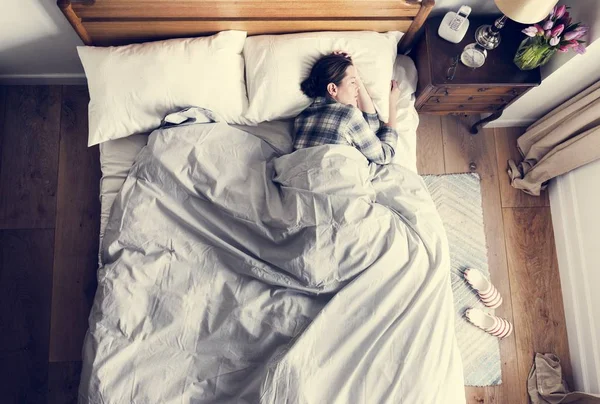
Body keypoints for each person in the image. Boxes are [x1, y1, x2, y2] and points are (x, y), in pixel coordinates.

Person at [294, 52, 400, 165]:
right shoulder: (348, 114)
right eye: (353, 82)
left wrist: (355, 76)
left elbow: (370, 128)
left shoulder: (300, 118)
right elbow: (384, 155)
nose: (357, 87)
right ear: (333, 89)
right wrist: (392, 103)